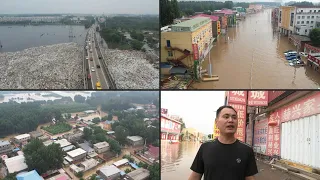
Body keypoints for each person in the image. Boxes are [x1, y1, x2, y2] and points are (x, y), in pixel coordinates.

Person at [188, 105, 258, 180]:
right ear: (216, 122)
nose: (231, 120)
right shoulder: (205, 147)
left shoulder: (247, 150)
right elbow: (195, 176)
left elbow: (250, 177)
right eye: (226, 117)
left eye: (234, 117)